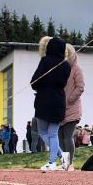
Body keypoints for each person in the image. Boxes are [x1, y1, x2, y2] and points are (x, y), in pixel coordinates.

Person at [31, 36, 71, 171]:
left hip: (44, 99)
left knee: (43, 132)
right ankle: (62, 156)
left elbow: (34, 82)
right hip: (59, 100)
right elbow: (63, 83)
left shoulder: (45, 61)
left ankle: (52, 161)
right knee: (53, 133)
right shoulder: (66, 65)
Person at [58, 43, 85, 171]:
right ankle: (65, 163)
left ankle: (71, 164)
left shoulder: (76, 69)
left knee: (68, 136)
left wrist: (70, 99)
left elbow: (80, 87)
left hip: (72, 108)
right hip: (59, 109)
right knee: (60, 137)